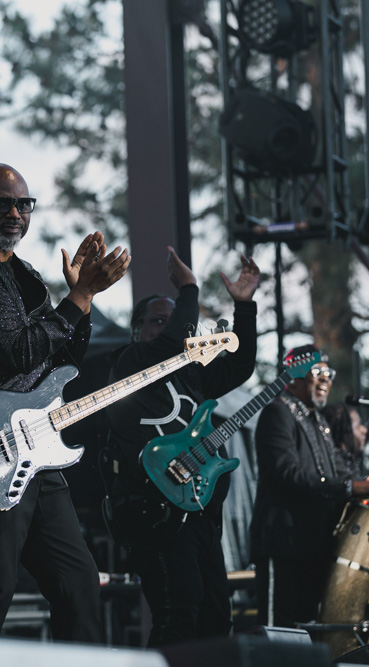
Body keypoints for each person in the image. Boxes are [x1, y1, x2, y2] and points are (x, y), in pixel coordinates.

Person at [0, 163, 131, 647]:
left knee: (78, 584)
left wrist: (79, 298)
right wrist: (78, 296)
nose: (15, 213)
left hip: (36, 449)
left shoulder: (22, 273)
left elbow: (61, 357)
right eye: (3, 204)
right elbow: (19, 350)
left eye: (24, 204)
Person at [103, 246, 260, 647]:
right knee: (179, 611)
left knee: (215, 616)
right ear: (137, 329)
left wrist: (244, 307)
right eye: (158, 321)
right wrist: (189, 290)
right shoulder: (131, 361)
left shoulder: (193, 375)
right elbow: (169, 347)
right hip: (152, 506)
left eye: (176, 323)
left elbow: (240, 367)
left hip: (199, 506)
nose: (171, 329)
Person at [250, 345, 369, 628]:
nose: (326, 379)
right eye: (318, 371)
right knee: (281, 634)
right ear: (294, 375)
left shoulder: (317, 422)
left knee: (309, 630)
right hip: (284, 544)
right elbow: (290, 475)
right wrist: (352, 488)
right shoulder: (277, 413)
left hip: (312, 545)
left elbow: (340, 472)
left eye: (329, 373)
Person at [321, 402, 367, 478]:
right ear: (343, 432)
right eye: (358, 426)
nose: (364, 430)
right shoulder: (338, 468)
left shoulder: (347, 465)